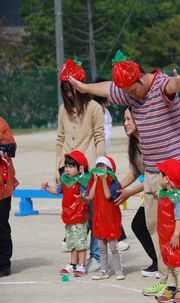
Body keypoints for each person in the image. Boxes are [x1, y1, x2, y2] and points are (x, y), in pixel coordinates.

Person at [69, 50, 180, 296]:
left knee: (176, 226)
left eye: (132, 91)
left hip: (174, 173)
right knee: (155, 227)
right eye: (125, 93)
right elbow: (107, 88)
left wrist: (176, 85)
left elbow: (169, 87)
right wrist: (84, 88)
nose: (129, 96)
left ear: (140, 78)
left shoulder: (159, 85)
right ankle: (166, 277)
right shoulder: (128, 91)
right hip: (151, 171)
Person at [56, 57, 105, 272]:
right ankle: (76, 253)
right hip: (68, 168)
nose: (69, 94)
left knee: (92, 212)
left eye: (72, 89)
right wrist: (57, 167)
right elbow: (60, 138)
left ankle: (94, 256)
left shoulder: (94, 107)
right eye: (65, 90)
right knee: (72, 210)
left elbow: (99, 136)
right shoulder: (63, 110)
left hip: (88, 168)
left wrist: (101, 164)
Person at [114, 106, 158, 277]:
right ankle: (158, 261)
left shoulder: (150, 142)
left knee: (142, 225)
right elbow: (136, 172)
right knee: (140, 225)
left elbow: (151, 177)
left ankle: (164, 263)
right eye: (124, 120)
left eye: (129, 119)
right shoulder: (134, 144)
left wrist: (128, 193)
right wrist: (118, 186)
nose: (125, 123)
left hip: (161, 192)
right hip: (150, 191)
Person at [93, 77, 130, 252]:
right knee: (101, 199)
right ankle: (119, 236)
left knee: (106, 197)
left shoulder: (105, 112)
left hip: (103, 158)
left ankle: (118, 235)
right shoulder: (93, 111)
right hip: (95, 160)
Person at [41, 150, 90, 277]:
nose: (67, 169)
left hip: (79, 217)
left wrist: (84, 196)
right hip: (68, 216)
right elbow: (57, 191)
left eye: (71, 166)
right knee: (72, 242)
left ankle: (81, 265)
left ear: (80, 168)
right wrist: (47, 188)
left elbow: (87, 196)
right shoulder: (65, 180)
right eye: (66, 166)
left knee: (80, 243)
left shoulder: (82, 181)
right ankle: (73, 264)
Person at [78, 156, 125, 280]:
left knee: (113, 247)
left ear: (108, 169)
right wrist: (83, 198)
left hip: (111, 218)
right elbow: (90, 197)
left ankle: (119, 270)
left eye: (102, 166)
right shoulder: (93, 181)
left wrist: (104, 180)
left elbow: (108, 195)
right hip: (99, 218)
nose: (99, 169)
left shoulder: (114, 182)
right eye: (97, 166)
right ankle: (103, 270)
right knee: (102, 247)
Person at [155, 158, 180, 303]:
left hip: (174, 237)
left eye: (160, 174)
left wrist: (176, 234)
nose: (158, 177)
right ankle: (171, 288)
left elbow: (179, 218)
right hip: (165, 236)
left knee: (178, 266)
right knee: (170, 264)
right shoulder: (165, 194)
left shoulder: (178, 198)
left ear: (167, 178)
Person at [0, 117, 18, 277]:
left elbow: (11, 147)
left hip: (2, 187)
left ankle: (4, 263)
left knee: (1, 226)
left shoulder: (1, 124)